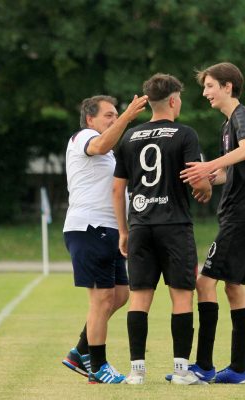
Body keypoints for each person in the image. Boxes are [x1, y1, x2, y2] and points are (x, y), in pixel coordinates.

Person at [112, 73, 212, 385]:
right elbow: (196, 177)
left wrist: (124, 231)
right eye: (179, 98)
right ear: (172, 100)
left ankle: (136, 372)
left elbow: (118, 190)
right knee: (181, 296)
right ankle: (182, 371)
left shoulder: (129, 136)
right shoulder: (184, 134)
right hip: (174, 225)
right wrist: (207, 188)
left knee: (139, 298)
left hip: (140, 225)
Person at [178, 62, 245, 384]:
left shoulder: (242, 117)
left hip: (241, 213)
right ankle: (239, 369)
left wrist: (208, 165)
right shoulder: (228, 124)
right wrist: (206, 178)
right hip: (239, 211)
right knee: (234, 287)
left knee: (204, 282)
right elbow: (231, 170)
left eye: (210, 86)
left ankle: (203, 366)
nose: (205, 93)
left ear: (228, 86)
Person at [61, 93, 148, 384]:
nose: (113, 118)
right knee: (101, 299)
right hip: (89, 227)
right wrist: (127, 117)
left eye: (115, 114)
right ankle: (97, 366)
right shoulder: (85, 137)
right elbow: (100, 144)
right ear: (90, 119)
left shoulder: (110, 150)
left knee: (120, 295)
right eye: (108, 115)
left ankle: (80, 351)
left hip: (109, 230)